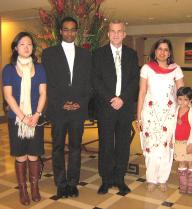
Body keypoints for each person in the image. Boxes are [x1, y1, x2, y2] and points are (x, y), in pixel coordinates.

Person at [42, 16, 91, 198]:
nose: (69, 32)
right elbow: (48, 83)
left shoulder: (86, 54)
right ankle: (61, 183)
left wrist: (80, 102)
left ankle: (72, 183)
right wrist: (61, 103)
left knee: (76, 147)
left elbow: (89, 83)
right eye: (66, 29)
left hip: (78, 110)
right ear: (60, 31)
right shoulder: (49, 54)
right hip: (58, 109)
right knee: (57, 147)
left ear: (76, 33)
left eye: (73, 29)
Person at [92, 20, 139, 195]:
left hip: (125, 108)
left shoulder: (132, 54)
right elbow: (95, 80)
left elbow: (135, 80)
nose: (116, 34)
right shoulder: (98, 54)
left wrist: (122, 99)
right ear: (108, 34)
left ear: (124, 34)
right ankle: (106, 180)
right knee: (105, 145)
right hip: (106, 107)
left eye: (119, 31)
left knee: (122, 145)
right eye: (113, 31)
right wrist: (112, 98)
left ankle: (119, 179)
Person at [2, 32, 47, 205]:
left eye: (29, 44)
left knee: (34, 154)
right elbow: (8, 97)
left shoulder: (40, 68)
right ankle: (23, 190)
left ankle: (35, 187)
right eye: (22, 44)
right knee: (21, 155)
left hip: (35, 118)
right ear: (15, 48)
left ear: (33, 48)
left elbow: (43, 93)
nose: (26, 47)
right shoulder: (8, 69)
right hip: (17, 120)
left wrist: (35, 115)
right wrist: (23, 117)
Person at [137, 39, 184, 192]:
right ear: (155, 51)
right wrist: (138, 116)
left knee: (166, 147)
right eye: (159, 49)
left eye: (165, 49)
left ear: (169, 53)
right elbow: (142, 92)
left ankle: (163, 178)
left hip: (169, 114)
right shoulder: (146, 68)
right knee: (151, 146)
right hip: (150, 113)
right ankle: (151, 178)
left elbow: (181, 94)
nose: (162, 52)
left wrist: (182, 115)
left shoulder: (176, 69)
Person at [173, 87, 192, 195]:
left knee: (191, 163)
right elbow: (172, 126)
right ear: (177, 99)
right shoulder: (176, 110)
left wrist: (190, 144)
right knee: (181, 163)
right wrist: (172, 140)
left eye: (185, 99)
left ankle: (191, 187)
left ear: (190, 100)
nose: (182, 102)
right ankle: (183, 186)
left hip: (189, 143)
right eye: (180, 99)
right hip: (179, 143)